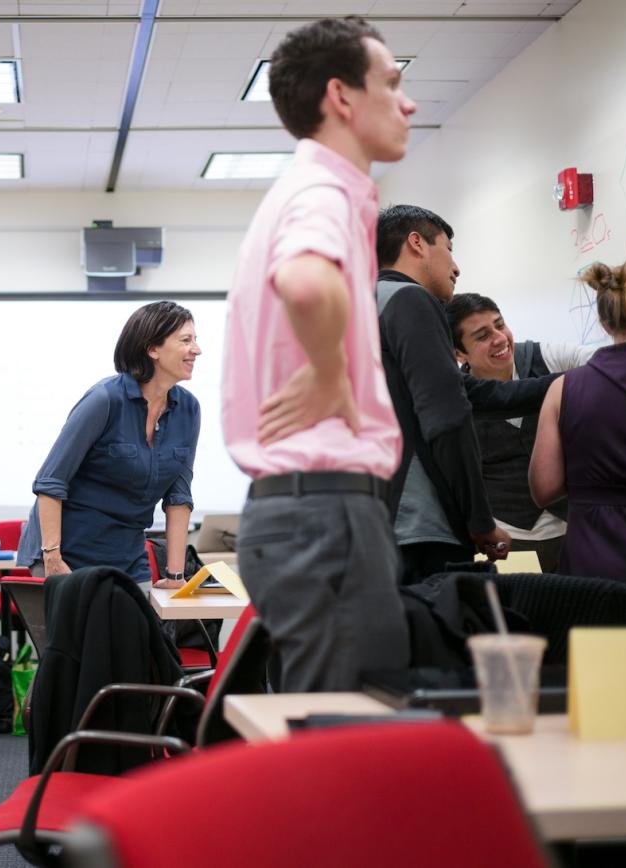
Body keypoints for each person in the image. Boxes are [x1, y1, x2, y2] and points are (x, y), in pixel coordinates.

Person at [221, 17, 413, 692]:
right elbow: (305, 282)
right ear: (342, 97)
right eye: (391, 83)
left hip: (307, 517)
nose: (408, 101)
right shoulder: (321, 191)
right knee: (345, 742)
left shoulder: (311, 191)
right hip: (325, 515)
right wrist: (331, 370)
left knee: (329, 735)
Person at [375, 205, 555, 584]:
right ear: (417, 244)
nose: (456, 267)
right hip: (419, 525)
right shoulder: (411, 299)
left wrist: (564, 384)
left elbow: (469, 393)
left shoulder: (365, 305)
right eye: (449, 249)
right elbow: (448, 418)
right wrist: (479, 520)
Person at [528, 263, 626, 622]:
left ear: (604, 323)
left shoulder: (563, 388)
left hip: (590, 560)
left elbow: (544, 488)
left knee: (599, 672)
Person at [16, 301, 201, 586]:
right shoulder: (105, 400)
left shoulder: (188, 409)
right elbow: (50, 482)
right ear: (152, 349)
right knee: (83, 632)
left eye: (195, 341)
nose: (196, 350)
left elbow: (178, 497)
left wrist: (175, 575)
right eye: (186, 340)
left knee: (139, 631)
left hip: (128, 556)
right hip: (67, 554)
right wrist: (52, 559)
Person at [447, 292, 596, 572]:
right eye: (482, 336)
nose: (500, 338)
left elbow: (604, 364)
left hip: (576, 528)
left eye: (500, 324)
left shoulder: (546, 357)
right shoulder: (455, 397)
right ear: (458, 354)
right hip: (509, 541)